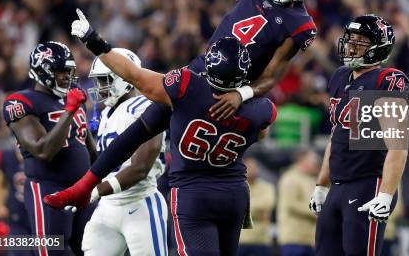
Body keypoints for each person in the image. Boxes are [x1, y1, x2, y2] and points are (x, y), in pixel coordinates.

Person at [43, 27, 277, 256]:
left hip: (190, 194)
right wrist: (244, 94)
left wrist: (93, 40)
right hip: (233, 194)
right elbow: (262, 130)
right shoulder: (260, 110)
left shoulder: (186, 87)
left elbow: (135, 76)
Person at [309, 14, 409, 256]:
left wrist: (386, 194)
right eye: (351, 38)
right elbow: (337, 135)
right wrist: (322, 184)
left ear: (379, 46)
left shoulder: (387, 80)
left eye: (361, 40)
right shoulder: (340, 77)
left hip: (367, 184)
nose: (352, 44)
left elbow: (398, 144)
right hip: (339, 186)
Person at [2, 41, 96, 255]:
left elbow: (91, 151)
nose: (66, 76)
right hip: (49, 188)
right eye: (59, 70)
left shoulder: (70, 99)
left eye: (68, 70)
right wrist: (70, 110)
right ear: (40, 70)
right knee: (54, 251)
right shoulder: (20, 102)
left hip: (82, 189)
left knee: (93, 249)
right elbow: (43, 151)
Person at [81, 49, 168, 256]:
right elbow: (103, 164)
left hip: (140, 204)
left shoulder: (143, 106)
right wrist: (83, 136)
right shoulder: (105, 114)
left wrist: (94, 190)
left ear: (123, 79)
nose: (99, 88)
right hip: (107, 206)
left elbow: (140, 168)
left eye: (103, 80)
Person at [278, 150, 320, 256]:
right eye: (313, 161)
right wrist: (318, 212)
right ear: (302, 160)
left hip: (310, 240)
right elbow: (292, 204)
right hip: (294, 239)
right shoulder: (290, 177)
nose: (316, 164)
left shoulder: (312, 179)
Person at [0, 146, 33, 256]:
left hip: (40, 214)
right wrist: (0, 205)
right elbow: (1, 183)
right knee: (20, 252)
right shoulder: (7, 156)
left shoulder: (42, 155)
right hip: (17, 216)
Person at [238, 157, 275, 256]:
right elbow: (234, 207)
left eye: (254, 167)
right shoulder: (236, 187)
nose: (253, 169)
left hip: (261, 240)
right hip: (240, 240)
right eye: (249, 167)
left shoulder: (267, 187)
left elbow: (268, 204)